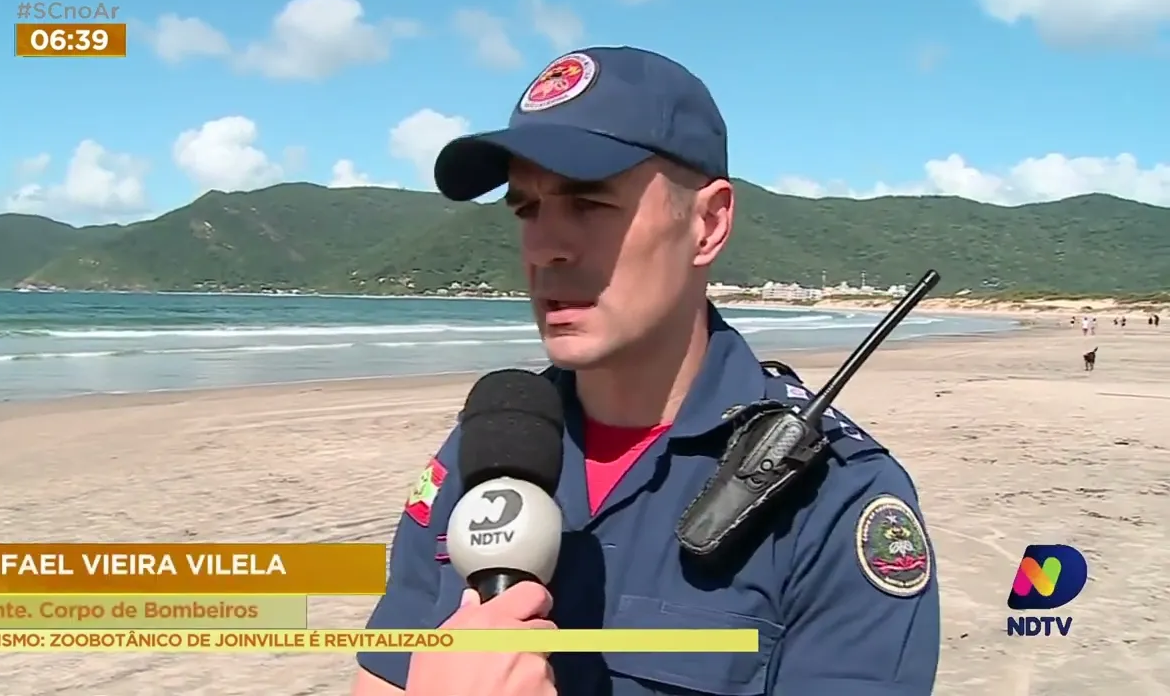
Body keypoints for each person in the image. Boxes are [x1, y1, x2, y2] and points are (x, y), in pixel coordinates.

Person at [352, 46, 940, 696]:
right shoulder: (485, 449)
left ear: (709, 224)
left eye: (590, 204)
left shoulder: (831, 498)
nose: (545, 247)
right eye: (526, 209)